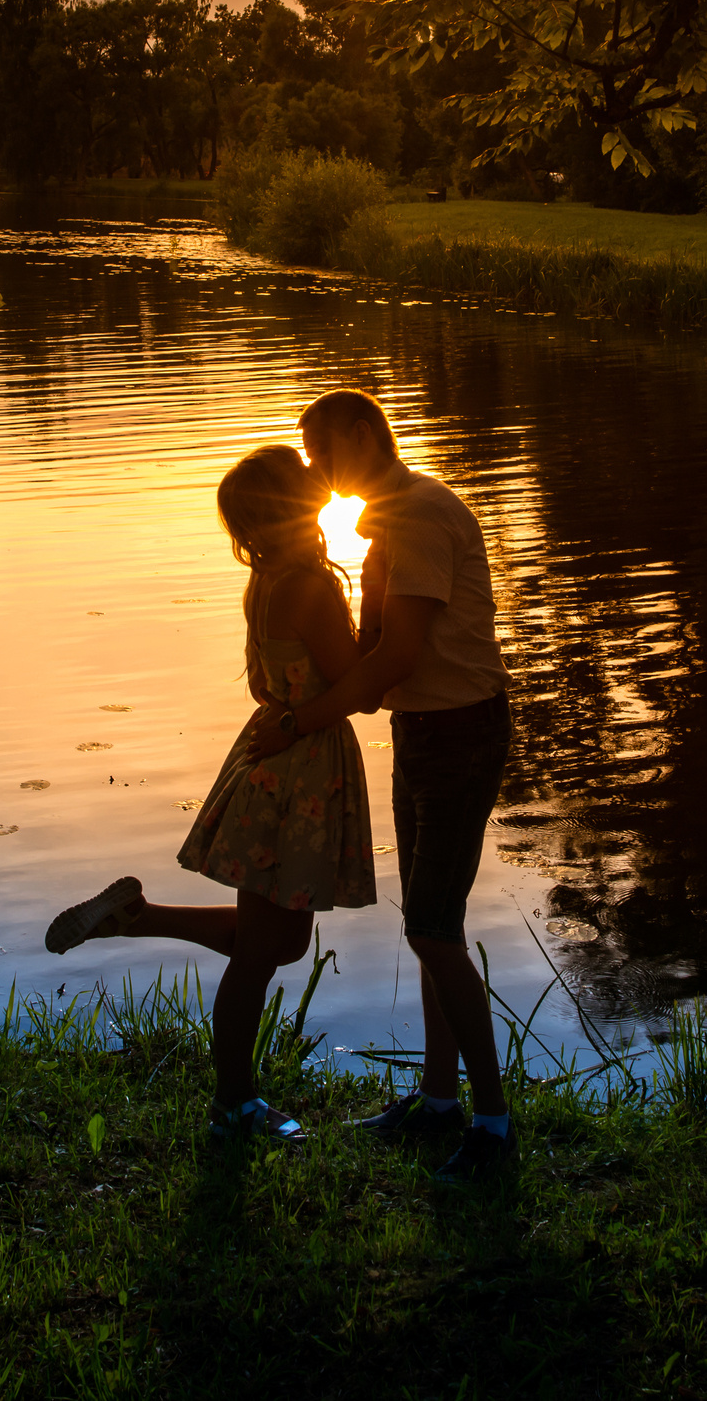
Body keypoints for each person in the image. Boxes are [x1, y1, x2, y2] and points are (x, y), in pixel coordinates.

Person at [44, 444, 376, 1142]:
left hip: (275, 758)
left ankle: (138, 916)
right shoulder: (310, 586)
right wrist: (381, 604)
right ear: (290, 505)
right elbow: (357, 684)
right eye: (305, 480)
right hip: (302, 768)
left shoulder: (272, 581)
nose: (320, 481)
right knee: (263, 954)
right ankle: (234, 1105)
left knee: (277, 943)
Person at [249, 388, 516, 1182]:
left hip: (461, 732)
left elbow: (392, 662)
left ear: (363, 436)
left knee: (432, 931)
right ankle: (439, 1103)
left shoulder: (417, 517)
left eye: (320, 449)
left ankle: (494, 1125)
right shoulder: (387, 522)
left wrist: (302, 723)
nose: (312, 466)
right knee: (433, 926)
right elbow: (373, 652)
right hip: (424, 730)